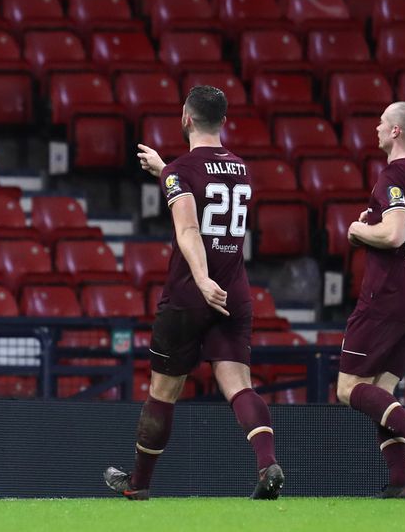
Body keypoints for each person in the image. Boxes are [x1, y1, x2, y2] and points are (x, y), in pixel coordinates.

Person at [104, 85, 284, 500]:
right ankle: (266, 462)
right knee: (239, 384)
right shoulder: (241, 168)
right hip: (235, 290)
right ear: (222, 121)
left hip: (190, 293)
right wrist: (166, 170)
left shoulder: (180, 172)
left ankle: (139, 484)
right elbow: (204, 186)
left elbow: (188, 228)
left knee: (163, 392)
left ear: (185, 118)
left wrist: (202, 280)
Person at [337, 102, 405, 499]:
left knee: (348, 388)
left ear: (397, 131)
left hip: (385, 297)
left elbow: (394, 235)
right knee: (381, 392)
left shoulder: (393, 176)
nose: (377, 128)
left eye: (382, 122)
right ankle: (401, 482)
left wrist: (356, 230)